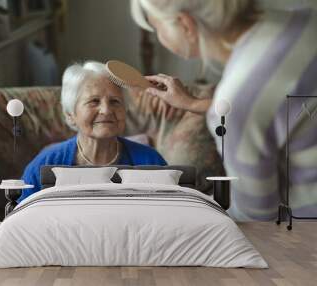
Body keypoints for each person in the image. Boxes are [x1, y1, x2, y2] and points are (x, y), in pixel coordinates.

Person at [131, 0, 317, 220]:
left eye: (156, 28)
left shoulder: (238, 100)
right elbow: (282, 109)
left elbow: (257, 218)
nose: (159, 38)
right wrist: (193, 104)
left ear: (185, 25)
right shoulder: (304, 17)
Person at [17, 61, 167, 202]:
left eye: (115, 101)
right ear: (70, 115)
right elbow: (19, 220)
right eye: (94, 101)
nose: (106, 110)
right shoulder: (45, 165)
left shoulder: (151, 161)